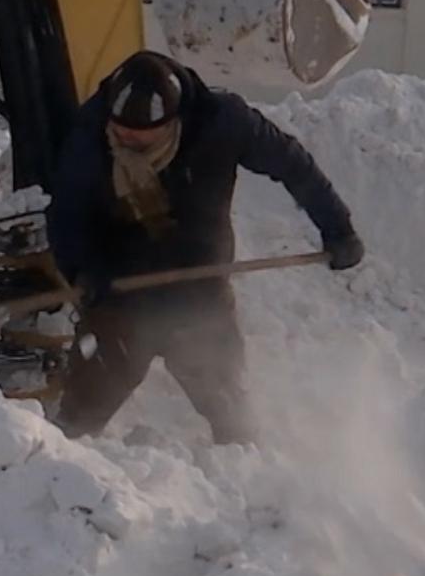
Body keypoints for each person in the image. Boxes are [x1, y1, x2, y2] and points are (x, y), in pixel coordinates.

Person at [47, 50, 364, 443]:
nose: (125, 139)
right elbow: (66, 214)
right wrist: (82, 272)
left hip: (200, 292)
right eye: (120, 130)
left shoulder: (222, 122)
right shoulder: (91, 134)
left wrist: (338, 227)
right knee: (77, 422)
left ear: (172, 120)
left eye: (139, 136)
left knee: (232, 418)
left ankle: (249, 482)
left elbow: (291, 163)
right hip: (120, 294)